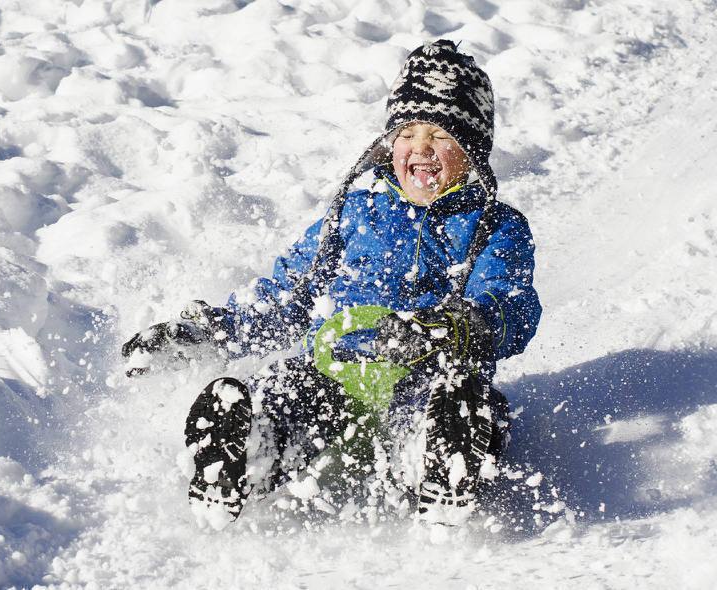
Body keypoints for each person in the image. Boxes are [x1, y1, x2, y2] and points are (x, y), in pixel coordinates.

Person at [121, 40, 540, 526]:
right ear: (389, 145)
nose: (421, 147)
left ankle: (437, 458)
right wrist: (208, 330)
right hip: (331, 371)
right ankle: (247, 449)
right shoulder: (353, 217)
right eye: (407, 132)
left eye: (440, 134)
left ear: (472, 149)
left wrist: (466, 324)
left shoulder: (495, 226)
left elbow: (512, 300)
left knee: (466, 400)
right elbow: (286, 298)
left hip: (425, 374)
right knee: (281, 390)